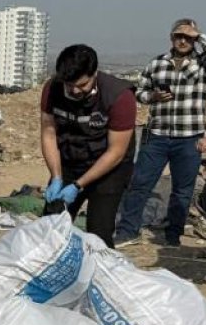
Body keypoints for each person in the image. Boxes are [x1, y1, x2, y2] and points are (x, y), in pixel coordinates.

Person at [114, 19, 206, 248]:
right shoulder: (157, 63)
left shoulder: (203, 65)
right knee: (140, 183)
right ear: (171, 37)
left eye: (188, 37)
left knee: (182, 191)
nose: (183, 40)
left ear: (195, 40)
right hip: (157, 136)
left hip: (189, 138)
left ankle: (172, 237)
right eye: (178, 36)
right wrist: (152, 97)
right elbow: (140, 91)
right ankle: (127, 231)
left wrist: (199, 34)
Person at [39, 44, 137, 247]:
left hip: (109, 167)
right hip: (71, 157)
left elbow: (116, 152)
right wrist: (57, 177)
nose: (75, 91)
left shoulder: (119, 96)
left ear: (94, 74)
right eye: (69, 85)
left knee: (98, 232)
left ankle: (101, 273)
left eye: (82, 85)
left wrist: (78, 185)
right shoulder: (53, 88)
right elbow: (49, 134)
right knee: (51, 222)